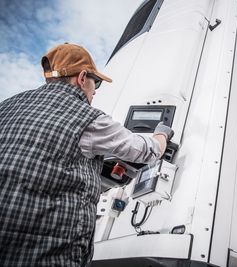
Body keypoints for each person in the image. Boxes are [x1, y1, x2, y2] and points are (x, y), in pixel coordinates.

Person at [0, 43, 174, 266]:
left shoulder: (7, 106)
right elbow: (145, 150)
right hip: (43, 254)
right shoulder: (86, 117)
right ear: (82, 78)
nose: (94, 92)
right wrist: (162, 135)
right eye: (96, 83)